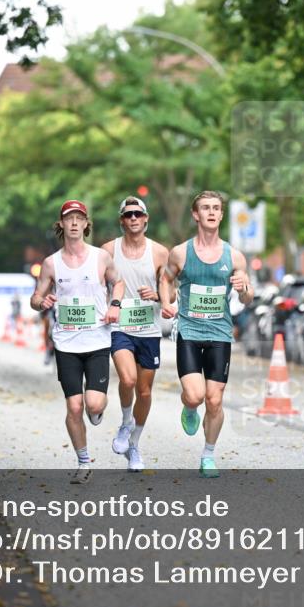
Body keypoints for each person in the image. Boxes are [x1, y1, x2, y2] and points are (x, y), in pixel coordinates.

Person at [30, 199, 124, 484]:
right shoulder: (51, 263)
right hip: (66, 344)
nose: (73, 223)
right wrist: (42, 302)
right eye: (68, 218)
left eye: (78, 218)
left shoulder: (101, 258)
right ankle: (84, 462)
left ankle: (97, 409)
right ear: (61, 224)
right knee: (73, 407)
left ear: (85, 224)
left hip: (97, 340)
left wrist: (115, 305)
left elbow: (118, 282)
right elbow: (35, 298)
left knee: (93, 405)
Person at [165, 191, 254, 478]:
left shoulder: (234, 256)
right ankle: (190, 409)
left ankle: (208, 456)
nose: (212, 212)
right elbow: (166, 279)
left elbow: (248, 298)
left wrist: (244, 289)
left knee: (214, 400)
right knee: (195, 396)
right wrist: (166, 302)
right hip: (189, 330)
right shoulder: (181, 253)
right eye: (206, 208)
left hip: (220, 333)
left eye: (216, 208)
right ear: (196, 214)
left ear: (221, 215)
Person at [102, 196, 176, 472]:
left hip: (149, 329)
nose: (133, 218)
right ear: (121, 221)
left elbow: (171, 292)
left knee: (144, 392)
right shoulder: (108, 251)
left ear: (146, 219)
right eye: (128, 214)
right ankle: (125, 423)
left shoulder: (160, 252)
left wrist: (158, 296)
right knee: (128, 378)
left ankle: (134, 444)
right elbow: (98, 284)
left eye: (137, 214)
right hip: (120, 327)